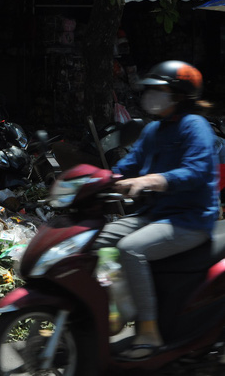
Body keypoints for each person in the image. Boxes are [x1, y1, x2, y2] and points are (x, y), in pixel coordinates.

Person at [93, 60, 220, 360]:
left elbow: (197, 171)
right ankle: (116, 309)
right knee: (98, 239)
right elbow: (128, 166)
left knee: (130, 249)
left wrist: (153, 180)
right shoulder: (153, 130)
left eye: (158, 90)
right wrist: (101, 180)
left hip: (189, 220)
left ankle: (149, 332)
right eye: (149, 90)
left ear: (178, 95)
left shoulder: (195, 126)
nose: (150, 96)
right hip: (155, 215)